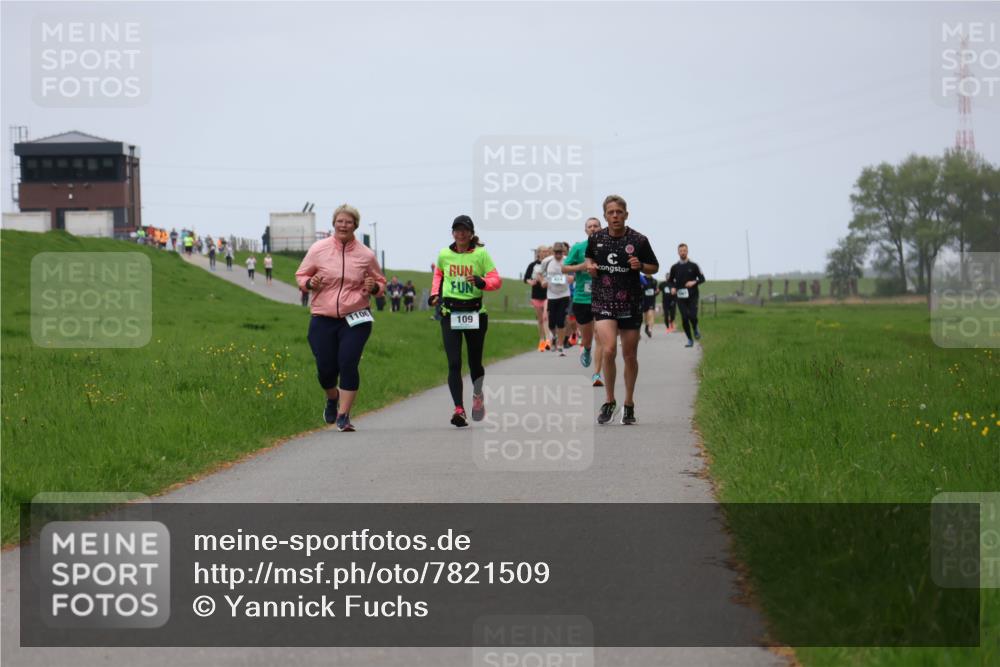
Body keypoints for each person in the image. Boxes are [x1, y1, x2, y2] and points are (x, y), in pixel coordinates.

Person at [295, 204, 386, 432]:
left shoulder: (366, 255)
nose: (343, 225)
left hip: (356, 316)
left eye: (348, 222)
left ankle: (344, 416)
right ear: (333, 223)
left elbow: (381, 283)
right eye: (340, 221)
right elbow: (301, 274)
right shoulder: (318, 249)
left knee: (348, 362)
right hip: (323, 317)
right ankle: (332, 397)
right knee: (325, 369)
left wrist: (374, 286)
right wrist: (309, 283)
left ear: (355, 225)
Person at [584, 195, 659, 425]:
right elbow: (589, 258)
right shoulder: (596, 238)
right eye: (611, 212)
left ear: (626, 214)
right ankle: (609, 400)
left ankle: (628, 402)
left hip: (630, 301)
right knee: (608, 350)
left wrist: (641, 266)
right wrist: (590, 267)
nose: (615, 216)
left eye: (619, 212)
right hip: (604, 300)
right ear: (605, 216)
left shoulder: (639, 240)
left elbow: (654, 267)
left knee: (629, 355)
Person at [429, 215, 502, 427]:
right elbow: (438, 276)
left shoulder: (481, 254)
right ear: (452, 232)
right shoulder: (444, 254)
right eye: (457, 230)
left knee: (474, 362)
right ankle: (458, 409)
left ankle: (477, 396)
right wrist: (434, 294)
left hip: (475, 313)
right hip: (450, 312)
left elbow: (496, 281)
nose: (460, 234)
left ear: (471, 233)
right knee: (454, 363)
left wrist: (482, 282)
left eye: (464, 230)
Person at [562, 217, 605, 385]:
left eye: (596, 226)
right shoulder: (578, 248)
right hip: (582, 298)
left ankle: (596, 374)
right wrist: (581, 267)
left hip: (602, 297)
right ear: (585, 230)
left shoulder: (607, 247)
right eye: (590, 226)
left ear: (601, 228)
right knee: (587, 338)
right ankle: (586, 349)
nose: (593, 228)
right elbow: (564, 268)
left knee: (600, 336)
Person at [534, 242, 572, 356]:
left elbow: (574, 274)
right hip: (551, 295)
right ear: (553, 252)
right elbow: (539, 274)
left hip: (564, 294)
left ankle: (560, 346)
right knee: (551, 322)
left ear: (563, 252)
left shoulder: (567, 260)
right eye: (556, 252)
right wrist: (543, 281)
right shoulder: (547, 261)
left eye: (560, 252)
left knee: (561, 321)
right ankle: (553, 337)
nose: (558, 255)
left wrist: (571, 278)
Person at [667, 243, 706, 347]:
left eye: (684, 250)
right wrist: (673, 288)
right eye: (681, 251)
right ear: (678, 252)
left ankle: (695, 328)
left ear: (687, 251)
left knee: (692, 316)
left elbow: (702, 279)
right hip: (680, 296)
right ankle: (689, 339)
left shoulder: (694, 265)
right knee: (684, 318)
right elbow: (670, 281)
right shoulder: (674, 267)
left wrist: (694, 282)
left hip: (693, 295)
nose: (683, 252)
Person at [524, 246, 550, 351]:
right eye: (543, 251)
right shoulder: (532, 265)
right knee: (540, 320)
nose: (545, 253)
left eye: (546, 252)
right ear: (538, 253)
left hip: (547, 295)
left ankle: (548, 340)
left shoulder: (549, 264)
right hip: (536, 295)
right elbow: (526, 278)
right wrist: (530, 281)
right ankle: (542, 340)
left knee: (545, 317)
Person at [640, 273, 657, 338]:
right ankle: (646, 327)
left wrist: (656, 292)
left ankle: (649, 330)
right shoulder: (642, 279)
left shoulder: (654, 281)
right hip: (643, 300)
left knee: (651, 314)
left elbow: (655, 290)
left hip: (651, 300)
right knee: (645, 316)